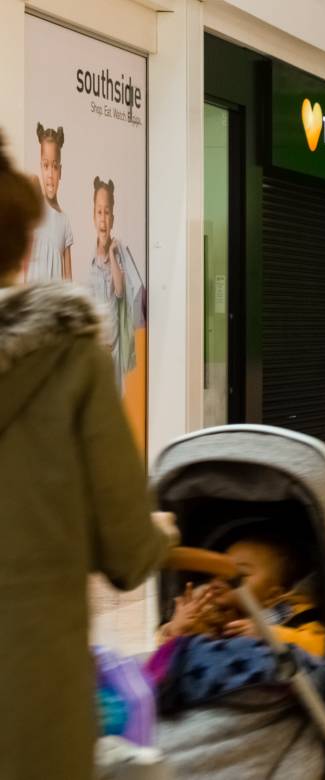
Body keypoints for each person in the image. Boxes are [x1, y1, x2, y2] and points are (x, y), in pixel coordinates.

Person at [0, 130, 173, 777]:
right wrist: (160, 532)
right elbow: (128, 550)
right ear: (22, 247)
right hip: (29, 691)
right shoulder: (69, 351)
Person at [157, 522, 325, 657]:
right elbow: (165, 656)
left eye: (238, 574)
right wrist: (177, 628)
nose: (221, 579)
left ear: (273, 595)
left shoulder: (292, 613)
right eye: (219, 571)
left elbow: (320, 647)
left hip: (271, 690)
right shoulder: (210, 614)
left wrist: (269, 635)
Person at [90, 177, 146, 388]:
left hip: (114, 352)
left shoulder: (118, 256)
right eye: (99, 212)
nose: (103, 219)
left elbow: (121, 290)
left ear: (112, 218)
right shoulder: (91, 263)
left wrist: (112, 255)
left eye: (107, 212)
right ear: (93, 216)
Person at [27, 123, 73, 283]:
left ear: (60, 171)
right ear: (40, 167)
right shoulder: (35, 207)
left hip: (56, 305)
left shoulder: (65, 221)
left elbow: (68, 280)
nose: (50, 174)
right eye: (46, 166)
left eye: (54, 167)